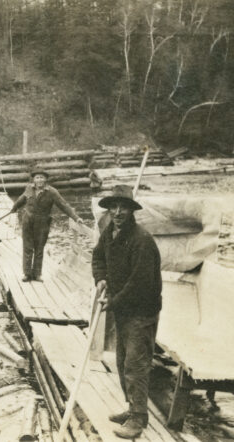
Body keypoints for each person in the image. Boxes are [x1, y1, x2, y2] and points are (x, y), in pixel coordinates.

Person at [92, 184, 162, 439]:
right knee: (122, 361)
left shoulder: (141, 240)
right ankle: (132, 407)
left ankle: (138, 419)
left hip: (141, 311)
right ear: (109, 209)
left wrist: (113, 302)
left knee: (136, 364)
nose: (118, 212)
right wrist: (100, 279)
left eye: (124, 207)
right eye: (114, 207)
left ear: (131, 211)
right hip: (123, 308)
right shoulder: (110, 231)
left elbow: (139, 283)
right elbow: (98, 257)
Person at [10, 169, 83, 282]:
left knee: (39, 248)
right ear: (34, 179)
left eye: (42, 177)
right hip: (28, 221)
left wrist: (76, 217)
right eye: (37, 177)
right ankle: (27, 273)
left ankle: (37, 274)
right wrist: (14, 208)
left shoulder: (52, 192)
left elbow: (63, 205)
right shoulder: (29, 188)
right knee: (27, 247)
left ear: (46, 180)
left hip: (43, 223)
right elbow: (22, 199)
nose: (39, 180)